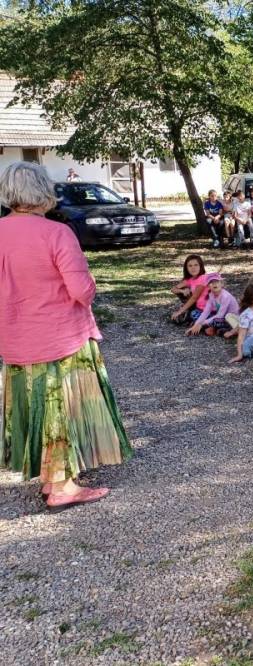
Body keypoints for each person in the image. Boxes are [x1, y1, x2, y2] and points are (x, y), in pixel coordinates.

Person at [0, 161, 132, 510]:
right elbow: (81, 290)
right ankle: (61, 486)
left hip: (15, 340)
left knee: (36, 408)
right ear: (43, 191)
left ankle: (49, 477)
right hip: (62, 338)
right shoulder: (56, 234)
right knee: (62, 409)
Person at [170, 254, 210, 324]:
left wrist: (180, 311)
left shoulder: (203, 278)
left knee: (192, 315)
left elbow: (194, 297)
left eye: (196, 265)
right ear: (186, 268)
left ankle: (208, 324)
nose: (193, 268)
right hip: (199, 308)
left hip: (209, 309)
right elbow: (173, 289)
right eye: (190, 266)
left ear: (201, 266)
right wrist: (182, 291)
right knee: (179, 319)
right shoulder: (190, 280)